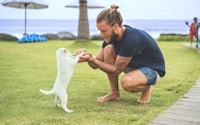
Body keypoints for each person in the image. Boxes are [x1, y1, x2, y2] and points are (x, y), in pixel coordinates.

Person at [74, 5, 166, 104]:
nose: (101, 34)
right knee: (108, 49)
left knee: (127, 83)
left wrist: (92, 60)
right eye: (99, 31)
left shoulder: (131, 39)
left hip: (152, 71)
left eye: (103, 31)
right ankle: (114, 93)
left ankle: (146, 87)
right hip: (134, 66)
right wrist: (88, 56)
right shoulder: (111, 37)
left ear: (116, 27)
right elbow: (96, 64)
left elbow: (116, 70)